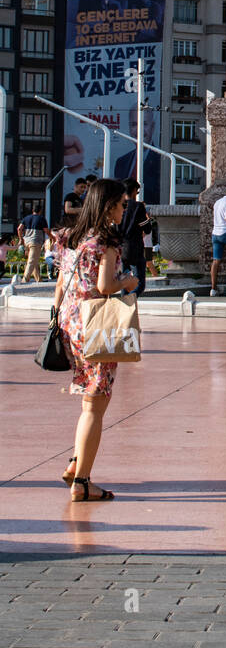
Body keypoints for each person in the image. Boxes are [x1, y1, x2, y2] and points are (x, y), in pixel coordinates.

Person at [55, 178, 140, 502]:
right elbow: (105, 286)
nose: (123, 210)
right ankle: (83, 482)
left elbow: (61, 283)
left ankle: (77, 462)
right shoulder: (106, 240)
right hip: (97, 328)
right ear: (107, 206)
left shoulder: (69, 236)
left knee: (89, 399)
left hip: (71, 324)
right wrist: (128, 280)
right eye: (121, 204)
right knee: (95, 404)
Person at [118, 179, 149, 297]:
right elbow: (147, 228)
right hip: (135, 247)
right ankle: (129, 299)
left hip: (120, 246)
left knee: (124, 281)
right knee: (139, 283)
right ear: (134, 191)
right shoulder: (138, 206)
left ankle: (124, 303)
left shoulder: (118, 205)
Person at [17, 206, 49, 282]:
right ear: (40, 211)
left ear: (32, 210)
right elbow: (46, 230)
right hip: (36, 241)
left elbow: (19, 228)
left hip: (26, 241)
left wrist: (21, 238)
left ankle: (38, 279)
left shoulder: (26, 218)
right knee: (32, 261)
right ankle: (25, 279)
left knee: (33, 260)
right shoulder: (41, 218)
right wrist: (52, 237)